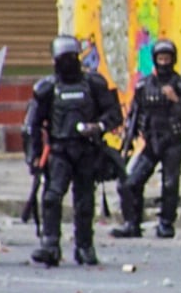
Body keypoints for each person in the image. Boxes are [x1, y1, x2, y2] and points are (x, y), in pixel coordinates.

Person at [23, 35, 122, 267]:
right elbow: (31, 125)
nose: (67, 62)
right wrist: (34, 156)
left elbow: (114, 113)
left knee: (85, 201)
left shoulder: (94, 84)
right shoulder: (47, 88)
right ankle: (50, 245)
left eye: (71, 57)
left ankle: (85, 246)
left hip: (87, 150)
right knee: (51, 197)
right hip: (59, 151)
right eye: (62, 58)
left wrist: (98, 127)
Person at [111, 39, 181, 239]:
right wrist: (128, 139)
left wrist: (176, 100)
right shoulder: (144, 86)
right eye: (160, 59)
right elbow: (135, 114)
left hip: (172, 141)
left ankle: (166, 224)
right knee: (131, 181)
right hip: (151, 142)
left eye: (167, 59)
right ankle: (132, 223)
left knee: (170, 184)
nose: (163, 63)